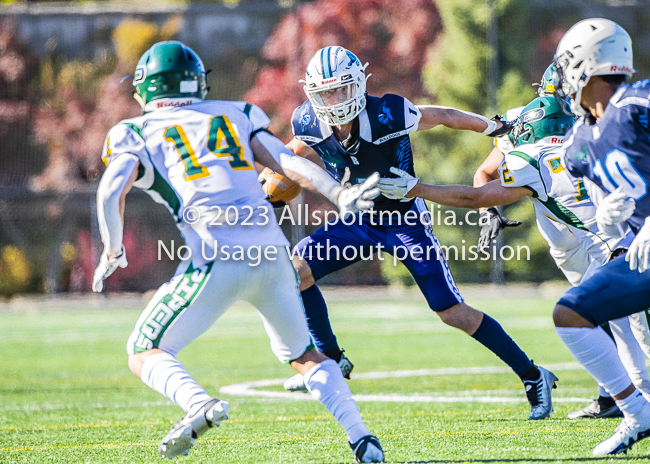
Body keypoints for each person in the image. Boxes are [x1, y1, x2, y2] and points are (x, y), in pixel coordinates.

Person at [92, 41, 385, 463]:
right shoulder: (237, 113)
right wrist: (339, 193)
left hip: (215, 255)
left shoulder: (134, 131)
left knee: (143, 348)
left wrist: (113, 248)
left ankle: (197, 404)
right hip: (273, 253)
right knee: (304, 355)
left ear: (148, 89)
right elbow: (288, 162)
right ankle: (362, 439)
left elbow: (109, 191)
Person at [283, 45, 557, 421]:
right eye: (326, 92)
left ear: (359, 84)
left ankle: (533, 375)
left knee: (450, 311)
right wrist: (272, 178)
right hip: (358, 220)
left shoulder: (387, 113)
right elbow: (290, 153)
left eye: (342, 88)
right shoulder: (308, 121)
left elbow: (443, 115)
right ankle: (331, 359)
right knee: (293, 272)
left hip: (404, 221)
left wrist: (494, 127)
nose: (334, 99)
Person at [379, 88, 650, 421]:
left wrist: (417, 188)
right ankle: (618, 399)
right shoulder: (577, 131)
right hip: (607, 233)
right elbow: (485, 175)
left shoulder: (540, 151)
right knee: (607, 317)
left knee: (617, 321)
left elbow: (472, 195)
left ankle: (638, 404)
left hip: (609, 243)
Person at [471, 64, 650, 420]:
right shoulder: (528, 119)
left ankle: (633, 395)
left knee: (623, 312)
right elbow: (485, 172)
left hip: (603, 223)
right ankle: (615, 397)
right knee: (592, 311)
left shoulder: (601, 116)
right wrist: (487, 211)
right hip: (560, 228)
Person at [549, 18, 650, 455]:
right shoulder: (578, 144)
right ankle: (638, 414)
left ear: (585, 65)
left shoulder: (637, 102)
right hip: (640, 253)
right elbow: (605, 219)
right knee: (570, 313)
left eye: (567, 65)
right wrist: (610, 223)